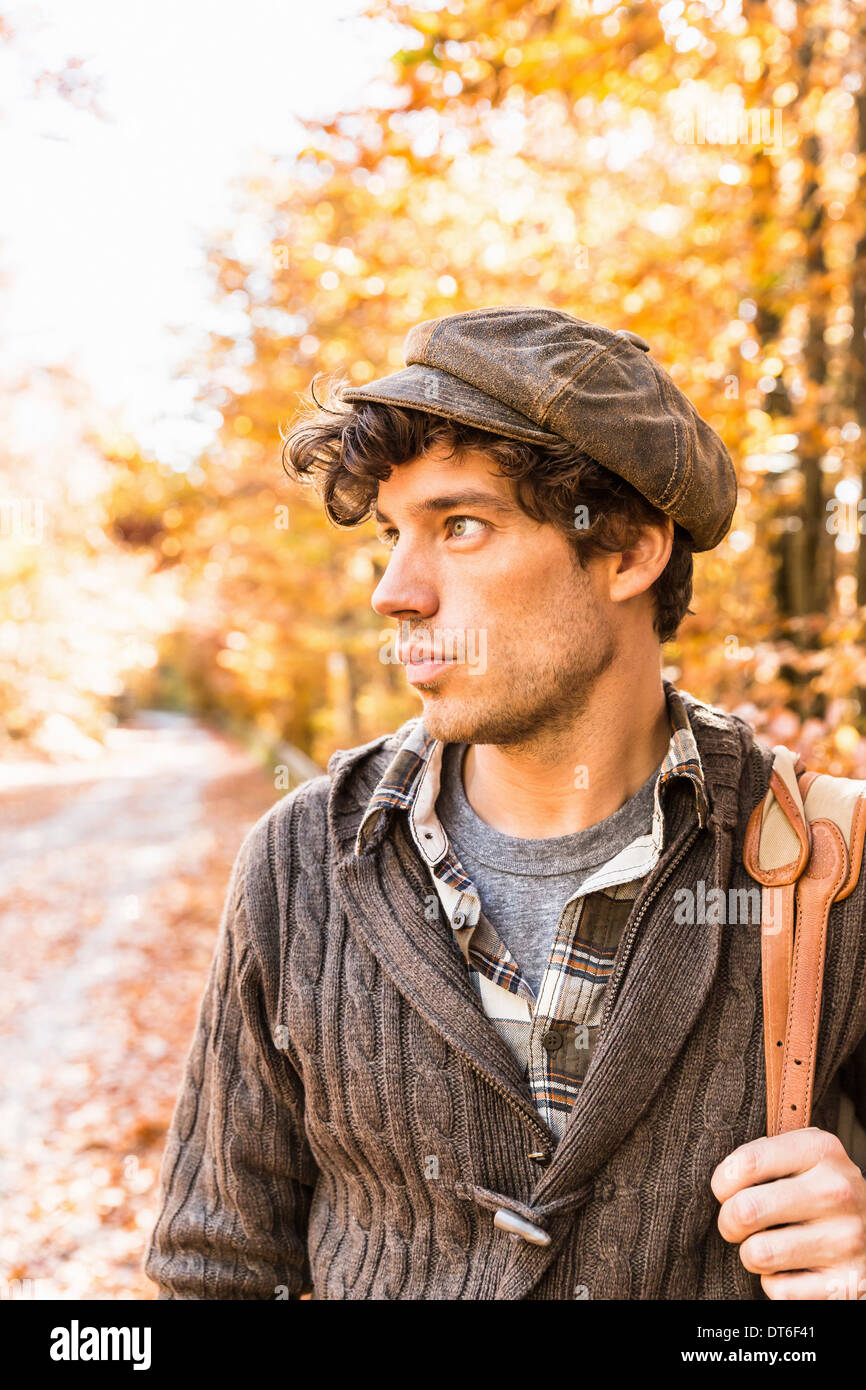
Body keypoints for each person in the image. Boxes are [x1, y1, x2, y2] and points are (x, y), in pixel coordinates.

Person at [144, 306, 866, 1300]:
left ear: (626, 551)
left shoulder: (830, 865)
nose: (395, 592)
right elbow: (210, 1270)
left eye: (460, 526)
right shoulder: (299, 860)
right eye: (394, 537)